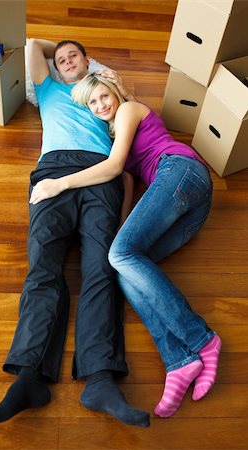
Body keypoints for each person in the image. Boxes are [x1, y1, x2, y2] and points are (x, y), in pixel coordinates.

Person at [29, 72, 222, 418]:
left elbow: (114, 166)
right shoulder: (118, 134)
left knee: (119, 255)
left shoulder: (130, 110)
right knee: (120, 268)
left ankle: (201, 338)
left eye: (104, 95)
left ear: (115, 92)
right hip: (193, 206)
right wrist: (119, 237)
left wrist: (58, 185)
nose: (101, 105)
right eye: (93, 102)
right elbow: (127, 184)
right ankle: (179, 362)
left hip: (180, 170)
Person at [0, 40, 150, 428]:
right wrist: (56, 48)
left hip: (98, 175)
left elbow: (122, 163)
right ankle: (28, 376)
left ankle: (100, 379)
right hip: (51, 172)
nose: (66, 61)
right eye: (61, 59)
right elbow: (30, 46)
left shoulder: (105, 98)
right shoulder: (49, 88)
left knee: (101, 270)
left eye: (74, 56)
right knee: (42, 268)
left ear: (88, 60)